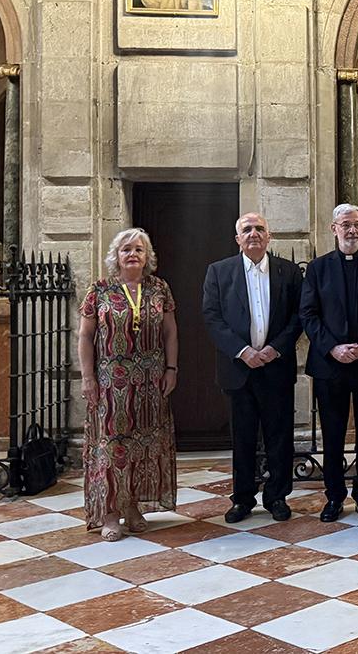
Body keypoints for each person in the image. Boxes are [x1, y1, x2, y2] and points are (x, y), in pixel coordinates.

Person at [202, 213, 304, 524]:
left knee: (279, 436)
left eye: (260, 229)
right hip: (239, 370)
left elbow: (299, 317)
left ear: (269, 236)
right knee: (243, 438)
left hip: (277, 367)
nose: (254, 234)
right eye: (247, 230)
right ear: (238, 239)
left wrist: (275, 349)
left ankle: (277, 496)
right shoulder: (219, 272)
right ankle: (242, 498)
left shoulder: (288, 272)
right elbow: (212, 317)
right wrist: (243, 351)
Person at [79, 228, 178, 542]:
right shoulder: (100, 289)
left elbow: (171, 333)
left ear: (147, 256)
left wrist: (171, 369)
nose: (132, 254)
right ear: (116, 256)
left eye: (138, 249)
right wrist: (87, 377)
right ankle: (110, 511)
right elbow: (84, 336)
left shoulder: (159, 287)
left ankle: (132, 505)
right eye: (126, 250)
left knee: (143, 447)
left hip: (151, 381)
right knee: (113, 448)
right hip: (111, 382)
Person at [300, 204, 358, 522]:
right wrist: (333, 348)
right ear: (333, 228)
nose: (351, 231)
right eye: (345, 225)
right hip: (330, 365)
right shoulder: (317, 268)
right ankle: (334, 496)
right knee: (333, 435)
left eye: (356, 225)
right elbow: (308, 315)